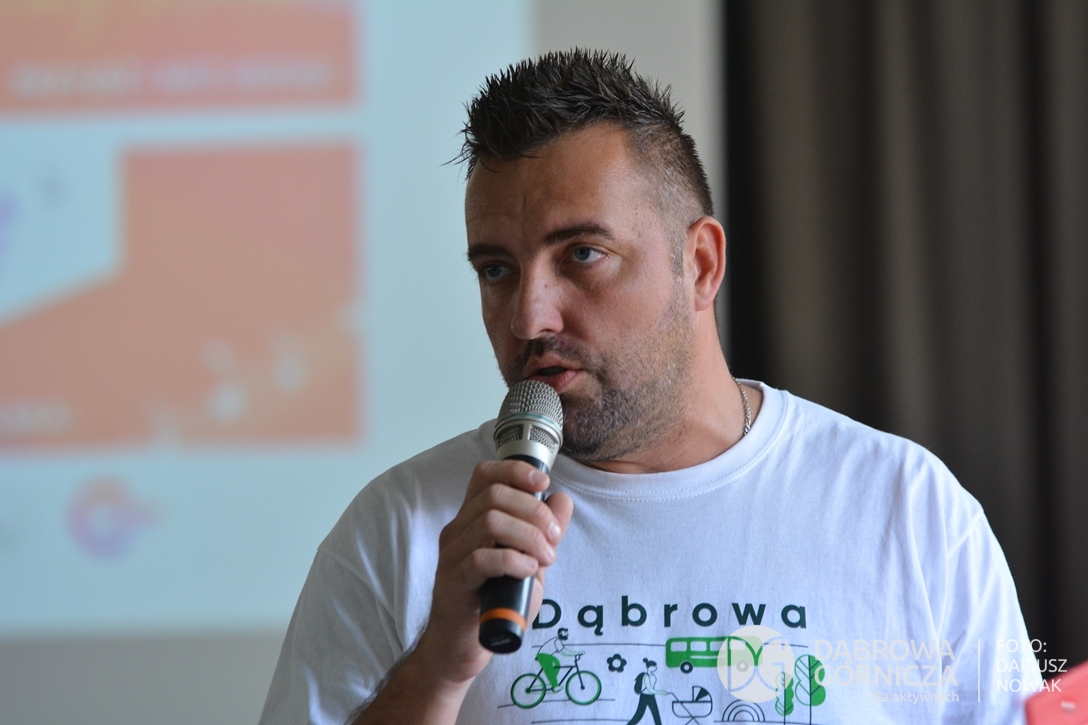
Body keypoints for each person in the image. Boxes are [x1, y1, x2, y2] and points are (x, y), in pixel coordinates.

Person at [259, 50, 1040, 725]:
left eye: (582, 254)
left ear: (699, 265)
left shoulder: (907, 511)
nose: (529, 315)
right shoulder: (404, 530)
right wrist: (437, 667)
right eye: (496, 269)